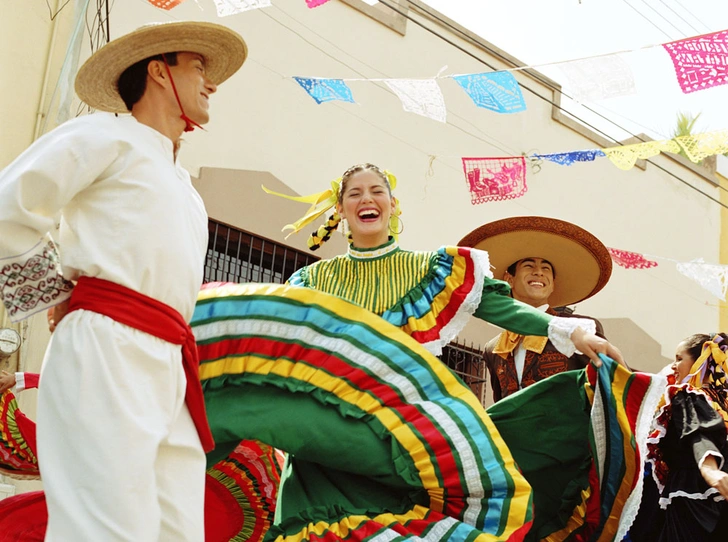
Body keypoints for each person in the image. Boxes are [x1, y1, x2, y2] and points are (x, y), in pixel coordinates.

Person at [0, 21, 247, 540]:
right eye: (198, 66)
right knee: (104, 526)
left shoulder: (185, 187)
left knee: (177, 528)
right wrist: (58, 294)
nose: (212, 83)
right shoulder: (105, 134)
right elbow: (8, 210)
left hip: (171, 364)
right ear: (160, 71)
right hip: (107, 349)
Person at [458, 216, 613, 402]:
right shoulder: (493, 349)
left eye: (546, 268)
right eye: (529, 265)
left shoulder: (581, 328)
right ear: (509, 279)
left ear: (552, 284)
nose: (539, 272)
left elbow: (610, 385)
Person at [628, 333, 728, 541]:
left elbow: (697, 430)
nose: (673, 365)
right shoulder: (721, 398)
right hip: (717, 491)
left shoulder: (687, 393)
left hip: (693, 490)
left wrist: (709, 469)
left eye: (679, 358)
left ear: (701, 360)